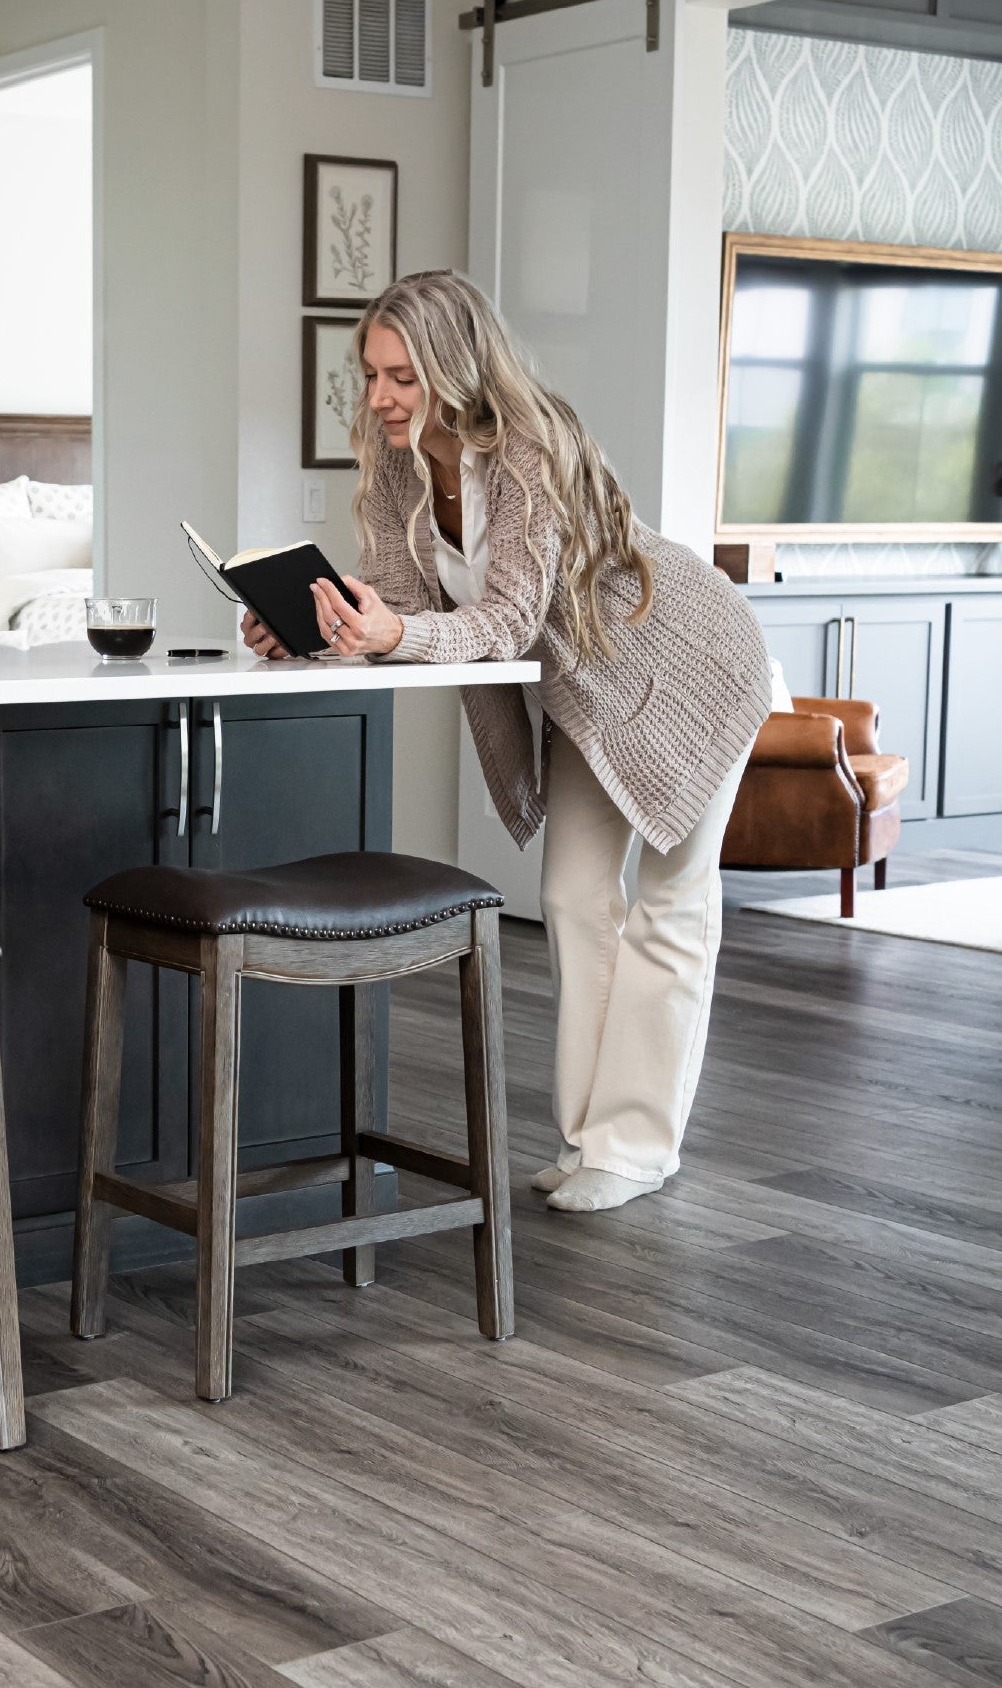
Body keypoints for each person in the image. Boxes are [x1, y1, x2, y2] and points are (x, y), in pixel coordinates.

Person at [243, 270, 770, 1214]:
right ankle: (588, 1137)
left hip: (691, 670)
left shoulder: (533, 449)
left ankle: (636, 1146)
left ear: (455, 361)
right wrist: (310, 628)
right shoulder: (404, 463)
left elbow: (510, 612)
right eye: (371, 374)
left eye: (401, 375)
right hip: (592, 693)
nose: (380, 397)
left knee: (674, 903)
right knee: (572, 895)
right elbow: (396, 603)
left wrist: (395, 634)